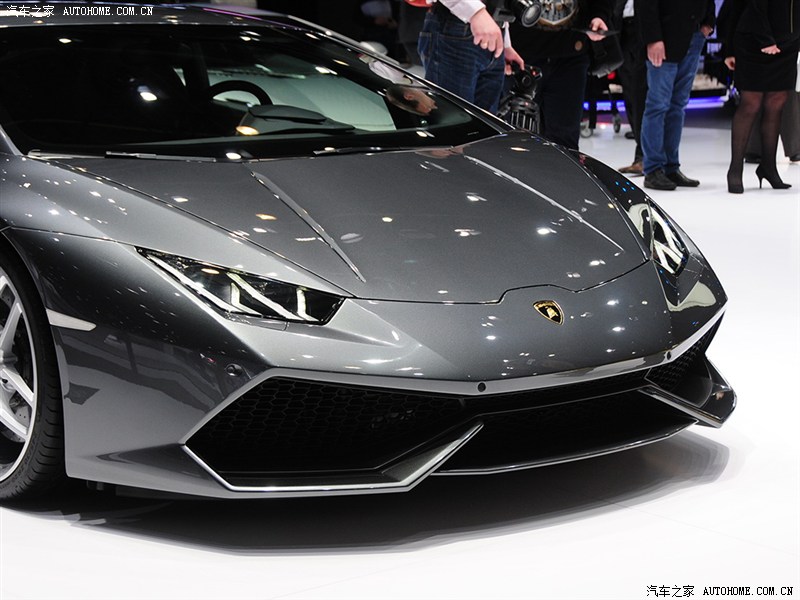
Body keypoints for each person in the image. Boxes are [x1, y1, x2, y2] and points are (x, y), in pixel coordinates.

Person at [510, 0, 614, 150]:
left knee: (565, 141)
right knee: (515, 136)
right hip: (521, 53)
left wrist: (599, 15)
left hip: (570, 53)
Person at [719, 0, 800, 193]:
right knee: (750, 103)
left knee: (776, 103)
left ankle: (768, 167)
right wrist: (731, 49)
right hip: (754, 40)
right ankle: (735, 169)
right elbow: (740, 7)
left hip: (787, 45)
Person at [636, 0, 716, 190]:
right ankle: (653, 168)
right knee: (658, 104)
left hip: (694, 33)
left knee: (677, 105)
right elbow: (645, 4)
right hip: (664, 36)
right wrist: (653, 38)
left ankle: (671, 166)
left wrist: (708, 22)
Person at [418, 0, 525, 114]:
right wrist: (476, 12)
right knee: (452, 118)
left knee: (484, 122)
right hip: (459, 25)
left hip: (491, 30)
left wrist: (505, 44)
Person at [615, 0, 647, 175]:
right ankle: (641, 156)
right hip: (622, 30)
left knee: (641, 96)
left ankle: (645, 157)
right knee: (630, 94)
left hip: (643, 29)